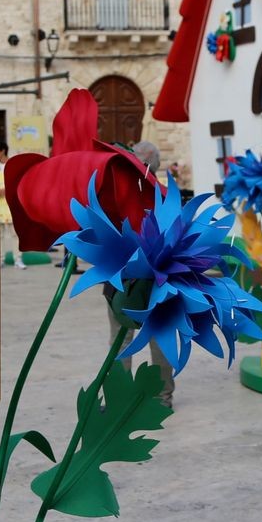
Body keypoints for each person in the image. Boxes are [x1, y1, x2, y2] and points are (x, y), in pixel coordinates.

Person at [102, 140, 174, 411]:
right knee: (156, 337)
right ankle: (161, 398)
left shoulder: (118, 195)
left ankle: (121, 399)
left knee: (122, 339)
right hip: (153, 278)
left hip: (130, 278)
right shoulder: (165, 195)